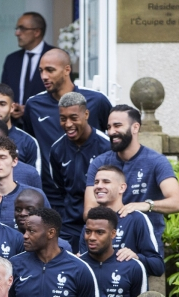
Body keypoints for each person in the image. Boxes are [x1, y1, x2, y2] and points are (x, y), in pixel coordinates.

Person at [23, 49, 112, 213]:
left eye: (50, 70)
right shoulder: (33, 105)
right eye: (41, 71)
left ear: (67, 70)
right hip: (52, 197)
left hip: (95, 195)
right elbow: (30, 143)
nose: (44, 76)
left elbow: (113, 137)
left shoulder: (96, 100)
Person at [84, 105, 179, 256]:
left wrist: (145, 205)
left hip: (146, 251)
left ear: (135, 128)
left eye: (117, 126)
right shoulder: (99, 163)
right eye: (109, 127)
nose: (111, 131)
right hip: (107, 249)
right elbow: (89, 211)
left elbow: (176, 201)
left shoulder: (156, 161)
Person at [49, 92, 110, 251]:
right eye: (63, 118)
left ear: (86, 114)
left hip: (100, 223)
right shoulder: (57, 149)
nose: (68, 124)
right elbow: (59, 189)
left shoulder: (106, 147)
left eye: (74, 117)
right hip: (69, 226)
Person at [78, 165, 164, 277]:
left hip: (127, 291)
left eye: (106, 182)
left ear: (122, 188)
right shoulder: (91, 222)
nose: (98, 186)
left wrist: (136, 257)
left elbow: (158, 267)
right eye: (96, 182)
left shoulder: (137, 219)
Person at [0, 12, 55, 120]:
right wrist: (11, 108)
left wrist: (30, 109)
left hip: (45, 123)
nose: (17, 33)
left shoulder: (56, 57)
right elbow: (4, 92)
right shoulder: (11, 60)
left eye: (22, 28)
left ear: (37, 32)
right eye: (17, 28)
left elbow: (62, 94)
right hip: (15, 126)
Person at [14, 188, 72, 252]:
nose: (22, 214)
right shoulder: (8, 239)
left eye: (29, 209)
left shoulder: (60, 246)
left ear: (41, 211)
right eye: (18, 209)